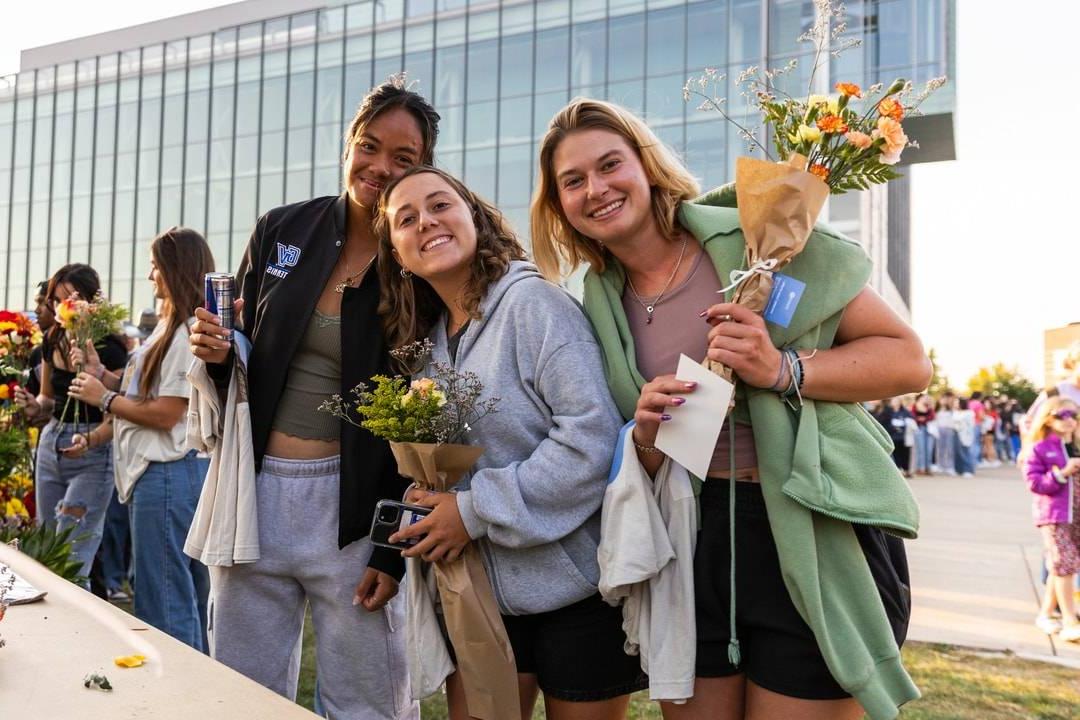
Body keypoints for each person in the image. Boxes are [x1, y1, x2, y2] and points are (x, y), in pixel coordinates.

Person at [530, 98, 927, 720]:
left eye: (611, 165)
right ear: (559, 205)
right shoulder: (592, 301)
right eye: (573, 181)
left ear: (647, 165)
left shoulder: (757, 237)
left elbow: (908, 361)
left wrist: (781, 368)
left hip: (807, 524)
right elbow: (625, 438)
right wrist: (644, 435)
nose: (596, 189)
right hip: (693, 539)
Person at [188, 78, 439, 719]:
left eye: (403, 159)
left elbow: (431, 408)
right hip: (257, 494)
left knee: (368, 703)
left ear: (424, 167)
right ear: (348, 145)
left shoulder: (421, 257)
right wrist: (217, 353)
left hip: (356, 508)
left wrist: (391, 544)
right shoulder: (282, 228)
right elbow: (240, 363)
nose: (380, 167)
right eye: (369, 146)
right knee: (241, 698)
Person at [376, 165, 644, 719]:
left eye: (439, 205)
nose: (426, 222)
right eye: (407, 219)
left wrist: (472, 511)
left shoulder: (534, 306)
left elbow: (589, 441)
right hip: (480, 593)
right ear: (399, 254)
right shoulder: (427, 349)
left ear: (473, 215)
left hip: (578, 594)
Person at [66, 227, 215, 650]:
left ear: (174, 268)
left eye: (155, 266)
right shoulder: (172, 329)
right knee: (182, 596)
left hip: (166, 476)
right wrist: (103, 374)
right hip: (168, 477)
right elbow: (149, 395)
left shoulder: (187, 332)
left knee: (164, 602)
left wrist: (105, 396)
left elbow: (167, 414)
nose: (150, 275)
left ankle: (178, 700)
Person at [14, 264, 128, 582]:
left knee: (72, 560)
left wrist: (90, 439)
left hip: (92, 450)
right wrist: (29, 404)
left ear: (91, 302)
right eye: (56, 300)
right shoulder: (51, 339)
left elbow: (119, 412)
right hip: (52, 442)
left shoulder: (109, 345)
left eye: (71, 299)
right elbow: (47, 400)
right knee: (47, 553)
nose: (62, 308)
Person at [1024, 397, 1080, 641]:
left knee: (1061, 567)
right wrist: (1061, 474)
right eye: (1062, 415)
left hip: (1076, 515)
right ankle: (1069, 620)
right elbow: (1034, 483)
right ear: (1048, 418)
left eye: (1074, 415)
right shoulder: (1040, 447)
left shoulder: (1076, 446)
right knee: (1064, 564)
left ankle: (1046, 613)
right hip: (1055, 516)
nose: (1069, 421)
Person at [876, 397, 914, 478]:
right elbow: (883, 422)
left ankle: (906, 470)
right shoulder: (887, 411)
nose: (895, 402)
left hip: (903, 437)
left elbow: (911, 420)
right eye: (894, 400)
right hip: (893, 436)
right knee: (895, 454)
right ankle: (898, 470)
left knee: (905, 454)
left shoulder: (905, 411)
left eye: (897, 401)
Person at [953, 397, 977, 478]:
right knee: (957, 452)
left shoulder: (969, 413)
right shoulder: (955, 412)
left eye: (957, 402)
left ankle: (968, 470)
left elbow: (971, 425)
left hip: (965, 434)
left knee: (965, 452)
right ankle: (959, 469)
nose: (955, 404)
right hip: (956, 433)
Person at [912, 394, 935, 475]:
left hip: (929, 430)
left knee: (928, 449)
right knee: (920, 449)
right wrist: (922, 419)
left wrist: (923, 419)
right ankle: (920, 468)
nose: (925, 399)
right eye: (923, 398)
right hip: (919, 429)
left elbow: (932, 416)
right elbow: (913, 416)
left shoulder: (929, 407)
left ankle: (928, 468)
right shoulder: (915, 406)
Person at [934, 394, 957, 476]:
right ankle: (941, 466)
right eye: (942, 399)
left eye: (944, 400)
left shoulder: (951, 410)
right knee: (940, 449)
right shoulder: (936, 410)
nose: (943, 401)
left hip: (949, 430)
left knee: (949, 449)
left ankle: (950, 467)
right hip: (939, 430)